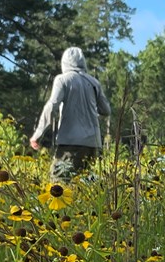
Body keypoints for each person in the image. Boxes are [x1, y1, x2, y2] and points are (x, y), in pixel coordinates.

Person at [30, 47, 112, 178]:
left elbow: (52, 106)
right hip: (92, 144)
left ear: (64, 62)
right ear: (83, 62)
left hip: (70, 142)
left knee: (59, 183)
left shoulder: (63, 79)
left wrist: (38, 134)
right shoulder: (94, 82)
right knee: (84, 187)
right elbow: (106, 111)